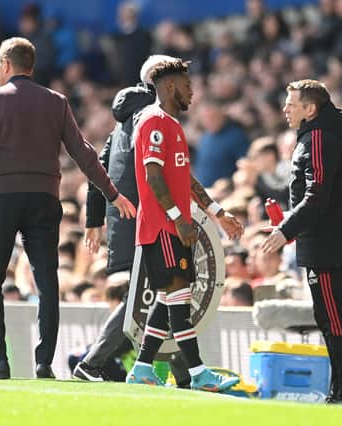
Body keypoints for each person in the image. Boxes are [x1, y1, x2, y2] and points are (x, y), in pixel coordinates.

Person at [0, 37, 135, 380]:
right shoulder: (56, 102)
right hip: (44, 199)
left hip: (3, 197)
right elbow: (83, 152)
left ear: (6, 64)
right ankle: (44, 363)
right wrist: (112, 194)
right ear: (30, 66)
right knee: (46, 280)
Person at [124, 58, 243, 392]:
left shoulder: (172, 125)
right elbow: (153, 176)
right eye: (188, 86)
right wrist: (178, 219)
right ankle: (199, 372)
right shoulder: (155, 122)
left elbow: (183, 179)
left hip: (170, 225)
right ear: (170, 86)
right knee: (180, 296)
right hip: (163, 227)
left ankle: (143, 367)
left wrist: (218, 212)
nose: (193, 92)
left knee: (169, 298)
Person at [75, 55, 190, 386]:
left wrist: (94, 222)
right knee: (149, 297)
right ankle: (92, 363)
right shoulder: (151, 119)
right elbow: (160, 175)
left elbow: (97, 172)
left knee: (162, 294)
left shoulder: (120, 127)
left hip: (124, 223)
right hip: (147, 223)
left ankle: (187, 375)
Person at [262, 79, 342, 404]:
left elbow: (317, 195)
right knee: (327, 318)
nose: (285, 109)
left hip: (327, 245)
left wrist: (286, 229)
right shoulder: (311, 137)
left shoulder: (318, 138)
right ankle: (339, 392)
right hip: (319, 242)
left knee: (332, 319)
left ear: (311, 109)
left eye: (291, 104)